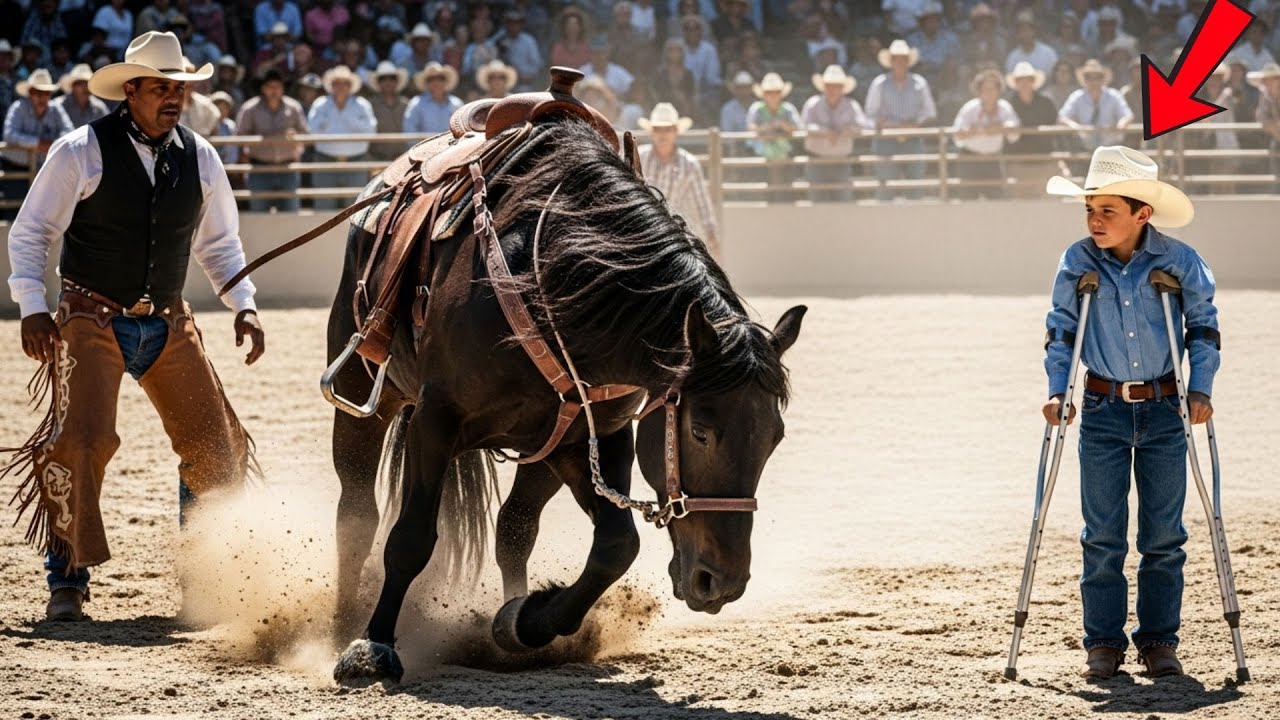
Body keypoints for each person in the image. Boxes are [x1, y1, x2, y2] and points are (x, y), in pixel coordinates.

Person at [3, 31, 263, 622]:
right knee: (81, 441)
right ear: (131, 92)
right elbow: (31, 233)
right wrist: (32, 307)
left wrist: (243, 303)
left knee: (215, 445)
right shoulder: (78, 151)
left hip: (169, 319)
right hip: (89, 317)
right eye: (162, 88)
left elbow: (220, 244)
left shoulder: (201, 155)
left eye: (181, 88)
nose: (174, 98)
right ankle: (66, 578)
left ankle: (206, 576)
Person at [1041, 145, 1217, 681]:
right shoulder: (1077, 261)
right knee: (1103, 535)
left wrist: (1201, 389)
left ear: (1143, 213)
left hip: (1167, 408)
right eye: (1089, 209)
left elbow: (1203, 329)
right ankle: (1103, 643)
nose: (1095, 220)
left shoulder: (1179, 261)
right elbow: (1060, 332)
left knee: (1164, 534)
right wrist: (1057, 390)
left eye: (1108, 210)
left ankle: (1159, 640)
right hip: (1100, 408)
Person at [637, 102, 719, 257]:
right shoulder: (639, 158)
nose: (663, 134)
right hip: (641, 226)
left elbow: (702, 203)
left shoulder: (689, 164)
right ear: (652, 133)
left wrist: (711, 233)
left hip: (672, 230)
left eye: (667, 129)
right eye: (658, 129)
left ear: (675, 132)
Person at [864, 39, 937, 201]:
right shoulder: (879, 84)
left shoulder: (919, 83)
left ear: (908, 61)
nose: (900, 62)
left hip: (913, 138)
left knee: (915, 186)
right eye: (896, 58)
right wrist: (889, 126)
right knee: (885, 186)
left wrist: (913, 125)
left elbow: (929, 111)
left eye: (903, 58)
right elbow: (870, 114)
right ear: (890, 62)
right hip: (886, 140)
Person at [2, 69, 73, 220]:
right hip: (15, 168)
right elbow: (8, 134)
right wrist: (37, 143)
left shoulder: (55, 109)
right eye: (37, 92)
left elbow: (69, 131)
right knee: (13, 213)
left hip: (43, 169)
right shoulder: (18, 107)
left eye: (46, 93)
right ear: (30, 93)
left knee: (41, 215)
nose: (42, 97)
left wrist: (53, 143)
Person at [236, 68, 308, 212]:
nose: (274, 90)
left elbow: (305, 134)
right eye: (270, 86)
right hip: (259, 168)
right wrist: (261, 140)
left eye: (278, 87)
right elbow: (239, 136)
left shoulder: (294, 108)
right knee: (259, 214)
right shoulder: (250, 108)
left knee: (290, 215)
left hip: (288, 168)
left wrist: (296, 137)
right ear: (263, 88)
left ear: (283, 88)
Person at [307, 65, 376, 210]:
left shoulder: (362, 104)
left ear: (350, 86)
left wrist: (339, 122)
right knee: (323, 207)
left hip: (356, 161)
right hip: (325, 161)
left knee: (356, 209)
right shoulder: (320, 104)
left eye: (345, 83)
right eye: (337, 83)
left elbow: (371, 131)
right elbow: (312, 131)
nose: (341, 86)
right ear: (331, 86)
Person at [801, 65, 871, 203]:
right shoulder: (812, 104)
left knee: (843, 202)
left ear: (842, 88)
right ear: (824, 86)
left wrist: (847, 130)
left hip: (841, 161)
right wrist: (824, 132)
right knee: (817, 202)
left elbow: (863, 125)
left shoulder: (851, 105)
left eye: (836, 86)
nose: (832, 89)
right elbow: (804, 126)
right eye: (829, 85)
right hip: (817, 160)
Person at [949, 68, 1020, 199]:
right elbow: (957, 135)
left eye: (993, 89)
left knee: (998, 202)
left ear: (998, 91)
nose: (989, 93)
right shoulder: (970, 109)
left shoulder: (1004, 108)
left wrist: (993, 128)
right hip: (969, 161)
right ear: (979, 92)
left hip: (993, 161)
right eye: (985, 90)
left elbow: (1014, 133)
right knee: (967, 202)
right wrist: (981, 129)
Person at [1004, 61, 1061, 199]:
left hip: (1045, 160)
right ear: (1016, 83)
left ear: (1033, 81)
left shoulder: (1046, 102)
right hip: (1018, 163)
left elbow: (1056, 123)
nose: (1024, 83)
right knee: (1018, 204)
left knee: (1053, 201)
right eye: (1020, 80)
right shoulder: (1007, 104)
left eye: (1028, 79)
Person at [746, 72, 800, 203]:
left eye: (776, 92)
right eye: (769, 92)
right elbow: (751, 127)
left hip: (785, 156)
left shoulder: (788, 109)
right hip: (762, 156)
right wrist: (770, 127)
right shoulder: (757, 108)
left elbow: (796, 127)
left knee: (786, 192)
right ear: (763, 94)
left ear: (781, 93)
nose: (772, 96)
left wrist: (780, 125)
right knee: (763, 192)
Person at [1059, 59, 1133, 151]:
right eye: (1089, 77)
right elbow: (1062, 117)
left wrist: (1120, 125)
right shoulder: (1077, 96)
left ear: (1103, 79)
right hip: (1085, 148)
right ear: (1084, 80)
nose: (1093, 82)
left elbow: (1127, 116)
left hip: (1111, 147)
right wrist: (1076, 127)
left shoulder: (1114, 95)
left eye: (1097, 77)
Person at [403, 62, 462, 136]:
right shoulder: (416, 104)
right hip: (425, 147)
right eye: (431, 79)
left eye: (440, 78)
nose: (436, 82)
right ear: (427, 83)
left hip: (454, 146)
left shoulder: (456, 104)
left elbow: (463, 129)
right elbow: (410, 131)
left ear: (445, 81)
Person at [368, 61, 409, 162]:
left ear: (396, 82)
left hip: (402, 159)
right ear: (378, 83)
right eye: (383, 79)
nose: (388, 82)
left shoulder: (406, 104)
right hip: (376, 158)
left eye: (392, 78)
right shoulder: (370, 105)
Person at [53, 63, 108, 129]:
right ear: (72, 86)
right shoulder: (59, 105)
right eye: (80, 84)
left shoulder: (99, 107)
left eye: (88, 83)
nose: (85, 87)